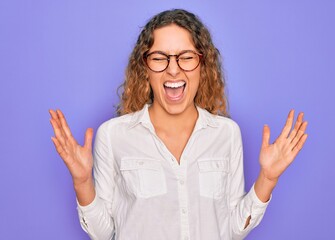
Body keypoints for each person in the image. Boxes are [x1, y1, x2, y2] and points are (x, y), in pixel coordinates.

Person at [49, 9, 308, 240]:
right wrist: (82, 181)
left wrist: (268, 178)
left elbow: (230, 230)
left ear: (202, 65)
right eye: (160, 57)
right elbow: (102, 234)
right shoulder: (113, 135)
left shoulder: (227, 134)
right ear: (145, 69)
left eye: (186, 57)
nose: (173, 70)